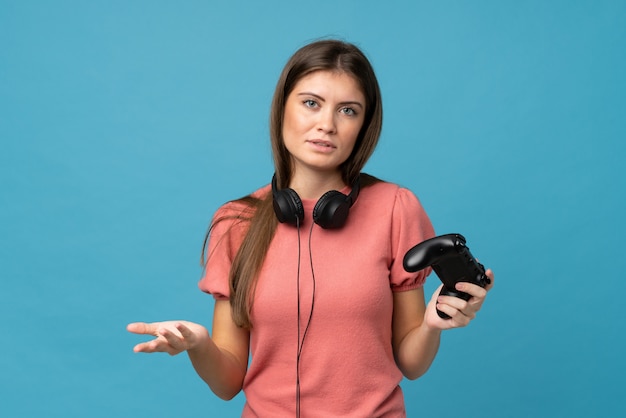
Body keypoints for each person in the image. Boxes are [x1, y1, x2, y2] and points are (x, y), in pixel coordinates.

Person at [127, 39, 494, 417]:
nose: (327, 125)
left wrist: (432, 324)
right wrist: (200, 345)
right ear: (282, 107)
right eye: (311, 103)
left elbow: (412, 364)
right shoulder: (236, 221)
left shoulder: (395, 209)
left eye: (348, 111)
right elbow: (227, 384)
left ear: (363, 126)